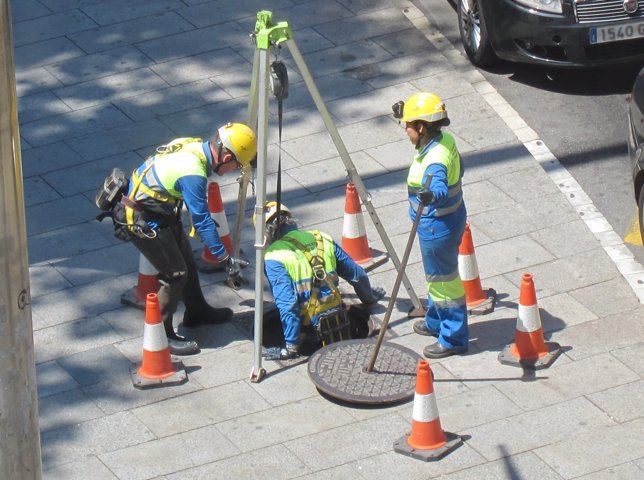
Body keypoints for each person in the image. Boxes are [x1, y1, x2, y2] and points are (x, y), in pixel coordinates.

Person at [112, 122, 257, 356]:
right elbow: (201, 220)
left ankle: (197, 311)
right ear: (226, 156)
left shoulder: (191, 145)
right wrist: (224, 258)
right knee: (175, 273)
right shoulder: (193, 174)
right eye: (236, 165)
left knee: (187, 261)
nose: (233, 170)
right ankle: (160, 335)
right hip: (142, 219)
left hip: (158, 209)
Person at [392, 92, 469, 359]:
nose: (405, 130)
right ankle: (435, 320)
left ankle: (453, 337)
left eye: (409, 125)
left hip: (437, 227)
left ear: (422, 127)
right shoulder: (444, 141)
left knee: (445, 284)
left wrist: (430, 195)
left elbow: (437, 186)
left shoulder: (434, 160)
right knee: (436, 278)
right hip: (452, 217)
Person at [257, 201, 386, 360]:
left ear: (265, 233)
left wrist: (290, 348)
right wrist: (369, 298)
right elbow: (357, 275)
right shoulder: (321, 239)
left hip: (309, 331)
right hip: (339, 319)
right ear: (290, 220)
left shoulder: (274, 256)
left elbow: (287, 305)